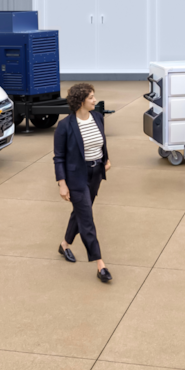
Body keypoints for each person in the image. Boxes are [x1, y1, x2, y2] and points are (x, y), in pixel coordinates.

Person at [53, 82, 112, 283]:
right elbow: (58, 157)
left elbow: (102, 141)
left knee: (80, 211)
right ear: (80, 101)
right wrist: (62, 183)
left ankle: (64, 244)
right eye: (91, 98)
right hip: (76, 176)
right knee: (87, 218)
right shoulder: (65, 126)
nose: (95, 100)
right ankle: (100, 265)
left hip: (96, 173)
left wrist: (106, 159)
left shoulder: (98, 117)